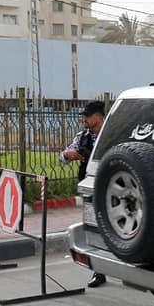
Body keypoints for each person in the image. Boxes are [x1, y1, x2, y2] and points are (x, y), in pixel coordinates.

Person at [61, 101, 107, 288]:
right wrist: (70, 154)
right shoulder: (82, 137)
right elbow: (63, 156)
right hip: (90, 188)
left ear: (99, 117)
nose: (83, 120)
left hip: (109, 187)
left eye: (87, 116)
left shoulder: (111, 135)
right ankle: (99, 271)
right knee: (94, 229)